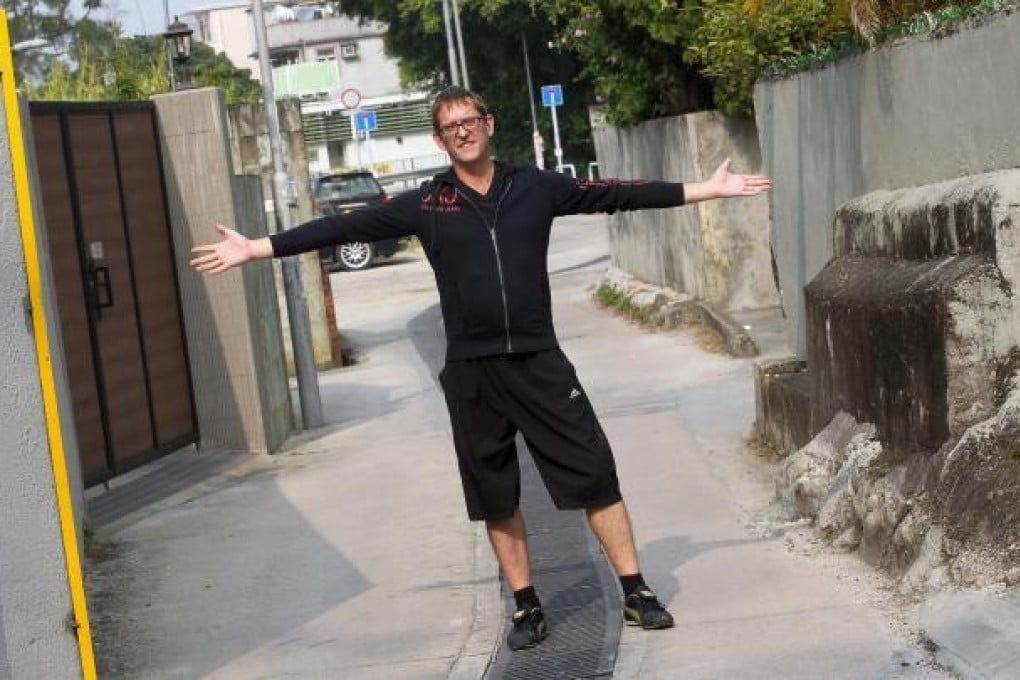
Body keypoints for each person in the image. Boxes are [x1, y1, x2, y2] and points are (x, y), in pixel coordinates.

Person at [191, 86, 771, 651]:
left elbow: (614, 192)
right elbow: (341, 228)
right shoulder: (428, 203)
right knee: (495, 494)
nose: (463, 131)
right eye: (450, 126)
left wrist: (705, 190)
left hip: (540, 360)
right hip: (472, 370)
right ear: (438, 139)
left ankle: (635, 590)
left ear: (489, 125)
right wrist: (256, 248)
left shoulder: (535, 187)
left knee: (596, 474)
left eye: (470, 120)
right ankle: (526, 603)